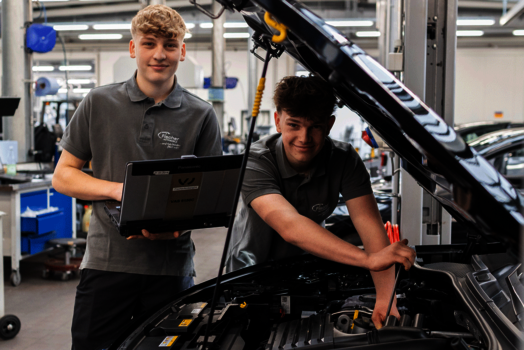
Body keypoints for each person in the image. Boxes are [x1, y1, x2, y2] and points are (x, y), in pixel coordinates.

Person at [52, 5, 222, 349]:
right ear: (133, 49)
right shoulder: (98, 102)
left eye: (170, 45)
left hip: (170, 270)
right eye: (149, 43)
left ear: (183, 51)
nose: (159, 54)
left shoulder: (202, 115)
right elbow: (64, 177)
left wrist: (181, 227)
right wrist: (119, 190)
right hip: (105, 264)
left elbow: (212, 196)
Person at [226, 75, 416, 329]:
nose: (304, 138)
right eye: (294, 125)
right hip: (249, 275)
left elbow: (369, 225)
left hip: (306, 273)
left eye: (314, 126)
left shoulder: (344, 159)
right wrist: (367, 259)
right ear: (278, 121)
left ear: (329, 124)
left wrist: (385, 297)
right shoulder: (256, 161)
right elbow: (290, 226)